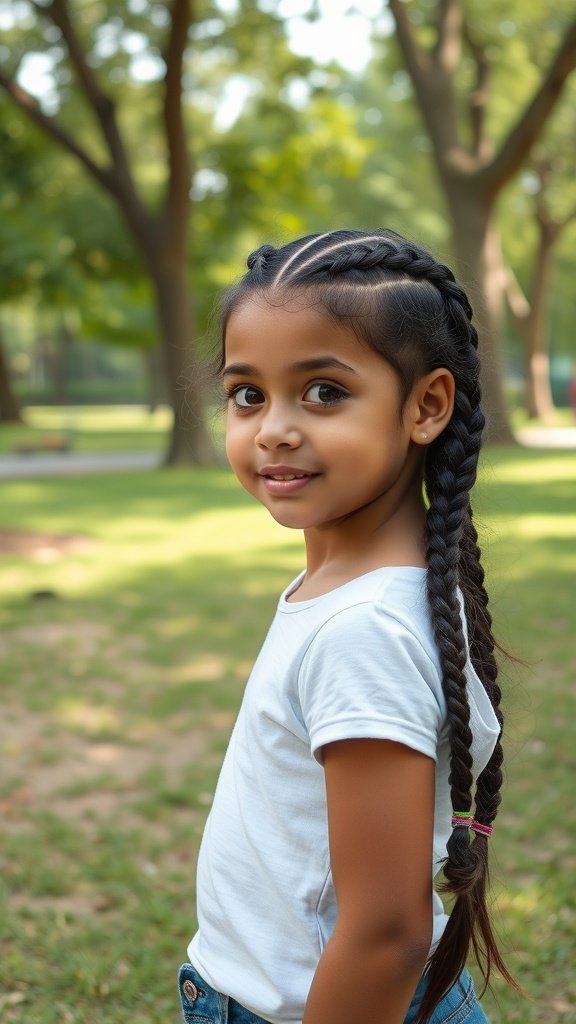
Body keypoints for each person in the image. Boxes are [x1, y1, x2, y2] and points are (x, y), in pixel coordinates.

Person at [178, 230, 519, 1024]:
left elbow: (386, 932)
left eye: (324, 392)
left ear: (426, 405)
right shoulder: (347, 591)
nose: (273, 429)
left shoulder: (366, 628)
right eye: (247, 393)